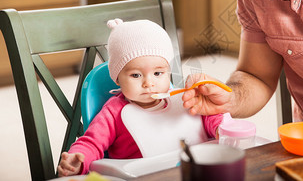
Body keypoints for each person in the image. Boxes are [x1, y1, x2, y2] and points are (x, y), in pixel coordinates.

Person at [57, 19, 223, 176]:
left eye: (158, 73)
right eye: (136, 75)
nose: (148, 83)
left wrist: (220, 130)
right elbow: (91, 143)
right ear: (117, 78)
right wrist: (77, 158)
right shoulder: (113, 113)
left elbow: (209, 118)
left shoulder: (184, 100)